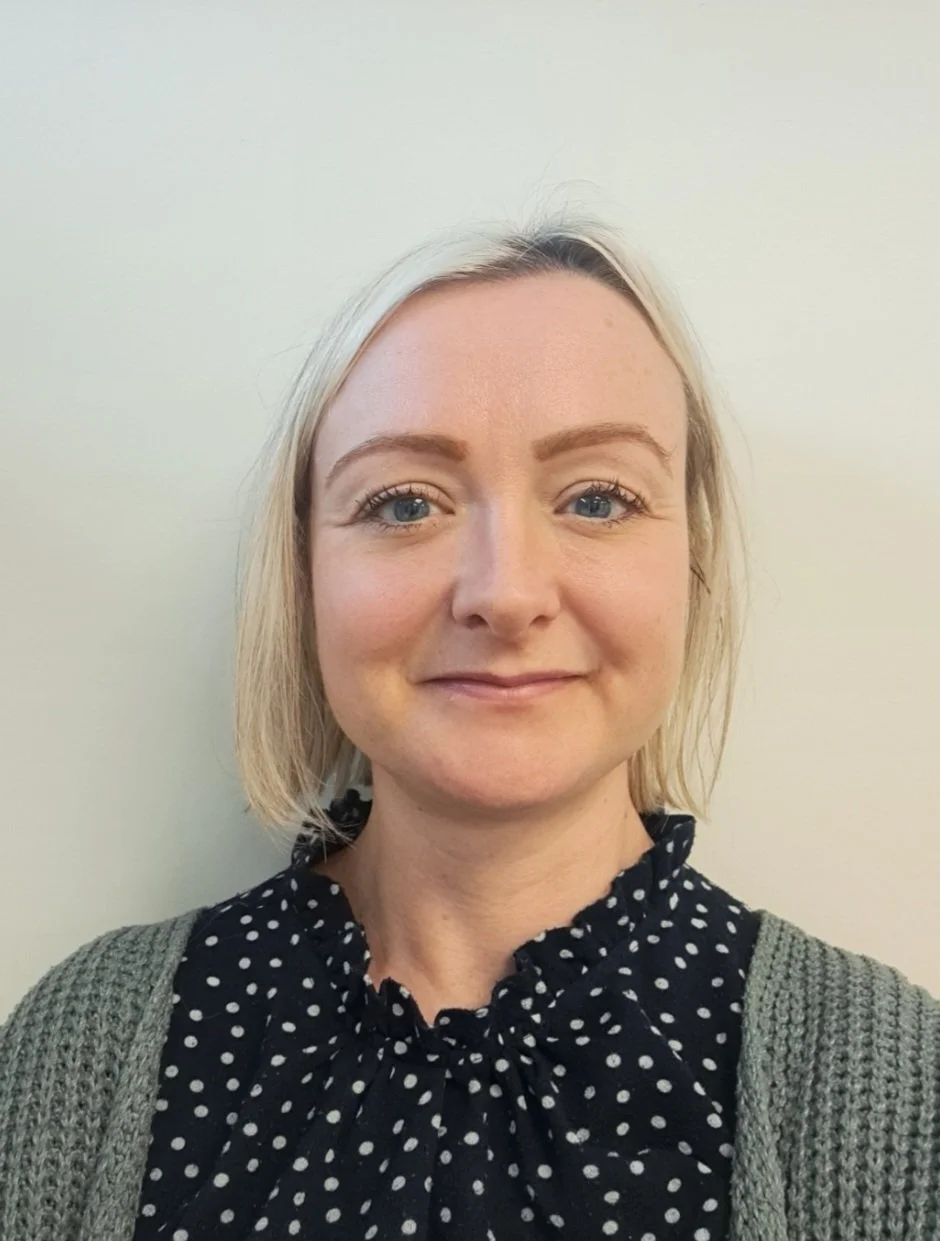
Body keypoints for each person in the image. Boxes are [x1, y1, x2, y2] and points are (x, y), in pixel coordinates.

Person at [1, 215, 938, 1241]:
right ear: (305, 574)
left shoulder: (892, 1090)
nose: (506, 592)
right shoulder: (80, 1050)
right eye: (405, 504)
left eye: (598, 498)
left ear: (692, 561)